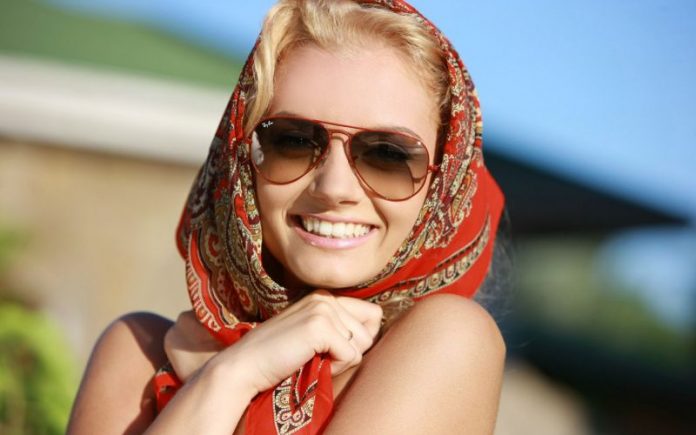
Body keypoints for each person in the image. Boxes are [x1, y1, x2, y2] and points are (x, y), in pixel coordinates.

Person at [67, 0, 506, 433]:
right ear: (240, 160)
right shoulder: (139, 355)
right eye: (293, 142)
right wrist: (233, 374)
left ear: (445, 183)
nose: (333, 188)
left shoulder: (449, 341)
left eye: (388, 155)